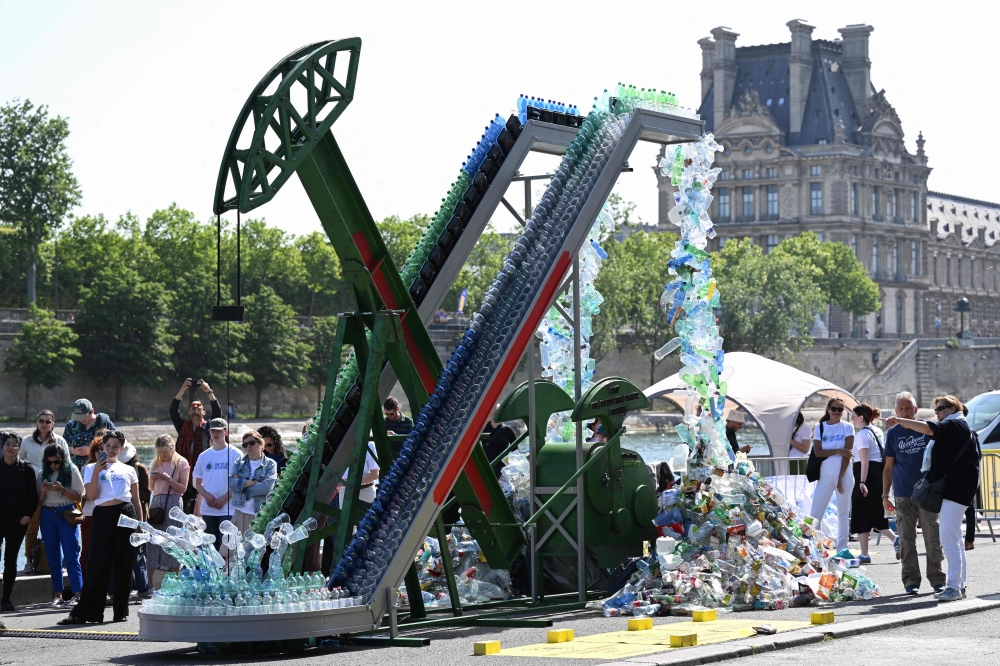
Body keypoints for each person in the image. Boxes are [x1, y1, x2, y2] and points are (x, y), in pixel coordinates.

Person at [885, 395, 981, 603]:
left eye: (940, 409)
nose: (937, 413)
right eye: (935, 409)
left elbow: (929, 429)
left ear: (953, 408)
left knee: (947, 539)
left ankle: (954, 586)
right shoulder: (957, 424)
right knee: (953, 538)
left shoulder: (955, 424)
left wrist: (900, 421)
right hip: (957, 490)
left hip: (956, 491)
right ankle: (959, 584)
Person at [59, 430, 141, 625]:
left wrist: (141, 525)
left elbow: (137, 501)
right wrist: (97, 471)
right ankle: (88, 613)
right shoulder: (90, 468)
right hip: (103, 514)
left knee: (124, 563)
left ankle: (120, 611)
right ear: (101, 448)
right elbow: (92, 496)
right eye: (107, 446)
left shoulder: (129, 469)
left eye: (115, 447)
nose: (111, 450)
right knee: (97, 564)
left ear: (121, 449)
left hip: (126, 513)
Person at [882, 391, 945, 595]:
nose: (904, 412)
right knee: (906, 539)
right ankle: (911, 581)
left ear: (916, 410)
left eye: (908, 408)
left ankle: (937, 579)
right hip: (902, 492)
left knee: (932, 535)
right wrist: (885, 495)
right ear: (895, 411)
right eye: (900, 408)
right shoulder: (892, 434)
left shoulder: (926, 429)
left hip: (926, 492)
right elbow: (889, 467)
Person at [18, 409, 70, 574]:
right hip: (33, 492)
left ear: (53, 423)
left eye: (48, 421)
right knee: (32, 529)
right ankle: (28, 562)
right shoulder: (26, 441)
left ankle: (55, 561)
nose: (44, 424)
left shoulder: (60, 441)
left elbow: (67, 465)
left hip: (55, 492)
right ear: (37, 422)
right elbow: (19, 464)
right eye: (41, 421)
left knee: (57, 529)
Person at [36, 443, 84, 607]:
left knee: (71, 555)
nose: (53, 465)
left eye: (56, 462)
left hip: (67, 513)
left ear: (62, 460)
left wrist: (62, 490)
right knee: (52, 556)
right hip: (48, 513)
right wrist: (43, 491)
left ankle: (78, 594)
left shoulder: (72, 470)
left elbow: (78, 497)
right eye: (49, 462)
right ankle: (58, 595)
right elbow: (39, 502)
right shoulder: (42, 473)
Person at [850, 404, 897, 564]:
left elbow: (864, 460)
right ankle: (870, 551)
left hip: (866, 476)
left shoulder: (862, 435)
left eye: (854, 416)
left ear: (861, 417)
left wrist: (862, 482)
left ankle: (866, 553)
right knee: (874, 512)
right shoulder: (875, 431)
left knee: (860, 512)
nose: (852, 419)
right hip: (877, 475)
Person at [809, 398, 854, 551]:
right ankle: (817, 548)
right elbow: (818, 452)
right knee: (815, 515)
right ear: (828, 409)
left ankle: (842, 549)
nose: (836, 412)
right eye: (834, 409)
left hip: (844, 470)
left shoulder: (848, 427)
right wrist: (838, 451)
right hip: (825, 471)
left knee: (843, 513)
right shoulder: (819, 427)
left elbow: (848, 455)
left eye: (840, 409)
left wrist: (840, 478)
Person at [1, 431, 38, 612]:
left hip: (18, 522)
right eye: (7, 444)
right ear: (2, 446)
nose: (10, 447)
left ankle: (6, 599)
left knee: (10, 559)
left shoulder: (26, 469)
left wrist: (28, 515)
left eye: (14, 444)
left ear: (19, 448)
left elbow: (33, 496)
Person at [170, 379, 221, 510]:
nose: (195, 409)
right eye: (192, 407)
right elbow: (173, 411)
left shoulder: (208, 426)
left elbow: (217, 413)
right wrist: (182, 390)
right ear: (188, 412)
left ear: (204, 412)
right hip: (184, 473)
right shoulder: (182, 427)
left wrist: (209, 391)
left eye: (199, 407)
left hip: (205, 473)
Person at [146, 435, 189, 587]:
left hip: (173, 502)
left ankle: (174, 582)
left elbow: (183, 489)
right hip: (157, 503)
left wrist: (168, 480)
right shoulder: (155, 463)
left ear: (172, 448)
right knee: (152, 542)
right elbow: (151, 489)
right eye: (159, 452)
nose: (162, 455)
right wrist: (153, 479)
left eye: (165, 451)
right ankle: (150, 584)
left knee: (172, 541)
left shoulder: (181, 463)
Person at [191, 419, 241, 547]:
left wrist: (223, 499)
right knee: (210, 548)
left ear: (226, 432)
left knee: (226, 548)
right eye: (213, 430)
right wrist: (207, 497)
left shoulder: (235, 454)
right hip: (208, 509)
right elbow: (196, 483)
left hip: (228, 509)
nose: (215, 433)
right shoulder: (204, 456)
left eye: (219, 430)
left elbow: (239, 482)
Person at [228, 430, 278, 540]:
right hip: (240, 513)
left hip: (259, 515)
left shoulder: (270, 464)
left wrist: (241, 486)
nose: (248, 447)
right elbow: (231, 483)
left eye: (251, 443)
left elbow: (266, 487)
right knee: (232, 554)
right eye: (245, 445)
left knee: (255, 554)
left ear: (261, 443)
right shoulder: (239, 462)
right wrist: (253, 482)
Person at [118, 443, 151, 601]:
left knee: (139, 555)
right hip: (120, 515)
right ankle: (128, 587)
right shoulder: (115, 468)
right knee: (123, 554)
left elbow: (146, 494)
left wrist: (129, 493)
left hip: (137, 514)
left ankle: (143, 589)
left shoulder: (140, 469)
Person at [79, 433, 107, 579]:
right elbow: (88, 495)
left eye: (103, 450)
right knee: (87, 551)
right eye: (98, 450)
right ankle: (85, 583)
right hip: (89, 514)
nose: (100, 454)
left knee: (105, 551)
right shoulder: (87, 469)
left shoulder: (117, 469)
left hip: (108, 514)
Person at [63, 399, 115, 470]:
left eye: (85, 416)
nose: (82, 420)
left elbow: (115, 444)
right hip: (75, 470)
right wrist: (71, 450)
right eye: (79, 417)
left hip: (97, 469)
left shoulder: (103, 422)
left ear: (92, 411)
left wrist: (91, 450)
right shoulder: (71, 425)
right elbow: (62, 447)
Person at [482, 407, 517, 479]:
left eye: (498, 413)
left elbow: (515, 451)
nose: (495, 416)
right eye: (493, 413)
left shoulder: (507, 430)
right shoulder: (483, 429)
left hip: (502, 468)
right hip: (486, 466)